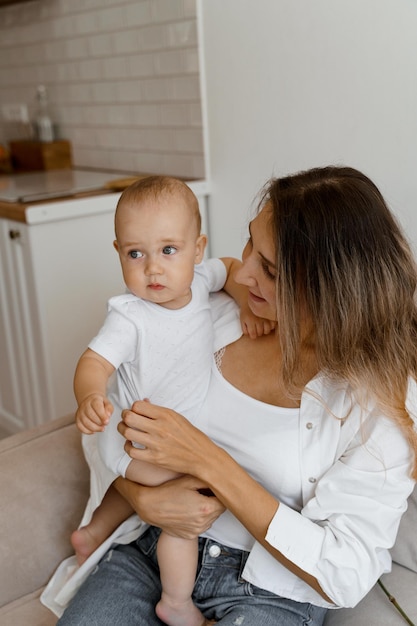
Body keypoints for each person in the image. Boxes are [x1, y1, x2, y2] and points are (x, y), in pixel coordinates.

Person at [54, 165, 417, 626]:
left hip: (266, 590)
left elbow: (346, 570)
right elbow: (107, 414)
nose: (242, 273)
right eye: (250, 244)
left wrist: (209, 461)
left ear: (328, 291)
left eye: (267, 268)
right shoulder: (208, 314)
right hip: (151, 551)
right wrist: (140, 497)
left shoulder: (380, 399)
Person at [71, 175, 273, 626]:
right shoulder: (130, 316)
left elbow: (228, 268)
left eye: (168, 250)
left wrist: (243, 302)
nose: (153, 269)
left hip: (161, 438)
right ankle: (177, 601)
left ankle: (93, 532)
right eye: (135, 254)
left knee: (144, 488)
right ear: (119, 252)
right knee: (185, 507)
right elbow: (93, 362)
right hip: (146, 439)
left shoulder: (201, 280)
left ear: (196, 249)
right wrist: (89, 395)